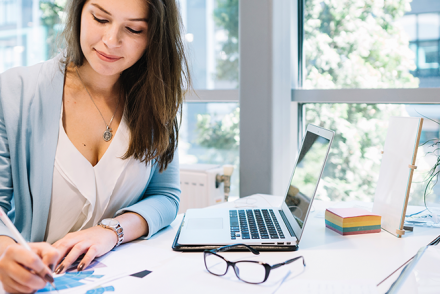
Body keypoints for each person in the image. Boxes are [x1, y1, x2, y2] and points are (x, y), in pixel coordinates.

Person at [0, 0, 190, 292]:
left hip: (124, 280)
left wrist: (111, 232)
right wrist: (4, 255)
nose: (111, 41)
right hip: (39, 283)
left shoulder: (156, 100)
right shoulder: (14, 92)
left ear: (155, 36)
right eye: (100, 19)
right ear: (79, 13)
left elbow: (165, 196)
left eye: (134, 29)